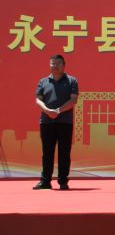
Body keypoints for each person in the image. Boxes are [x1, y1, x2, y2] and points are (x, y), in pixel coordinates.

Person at [33, 54, 79, 190]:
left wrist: (58, 110)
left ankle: (63, 181)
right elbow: (38, 99)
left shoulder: (71, 80)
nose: (55, 66)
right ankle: (45, 181)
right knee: (47, 152)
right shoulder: (43, 81)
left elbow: (73, 100)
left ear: (64, 65)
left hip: (65, 122)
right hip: (46, 121)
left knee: (64, 152)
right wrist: (47, 111)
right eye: (52, 63)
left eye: (58, 63)